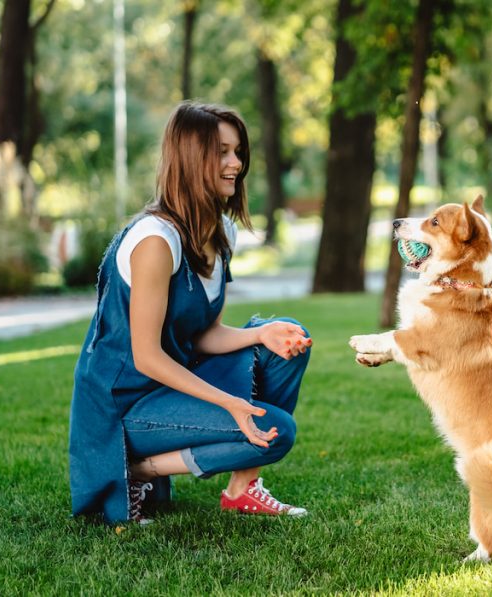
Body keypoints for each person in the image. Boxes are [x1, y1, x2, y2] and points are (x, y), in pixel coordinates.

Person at [69, 101, 313, 525]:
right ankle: (135, 469)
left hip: (173, 384)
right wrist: (231, 403)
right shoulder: (155, 242)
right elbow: (145, 356)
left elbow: (203, 334)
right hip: (125, 407)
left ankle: (243, 489)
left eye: (237, 152)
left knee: (288, 340)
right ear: (189, 158)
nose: (235, 163)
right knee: (279, 431)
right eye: (222, 152)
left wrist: (262, 334)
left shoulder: (219, 231)